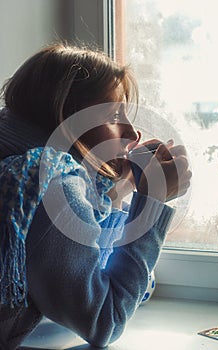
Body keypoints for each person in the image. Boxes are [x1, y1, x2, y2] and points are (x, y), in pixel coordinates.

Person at [0, 43, 191, 349]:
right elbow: (105, 320)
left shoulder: (18, 167)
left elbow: (87, 271)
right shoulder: (48, 181)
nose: (132, 133)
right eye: (115, 116)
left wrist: (121, 190)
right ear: (67, 117)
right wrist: (152, 202)